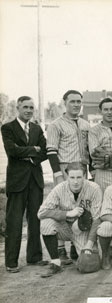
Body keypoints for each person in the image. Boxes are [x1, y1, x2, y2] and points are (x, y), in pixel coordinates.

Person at [1, 96, 48, 273]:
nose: (29, 110)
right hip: (17, 181)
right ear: (17, 107)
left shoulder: (36, 128)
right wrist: (32, 150)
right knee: (14, 221)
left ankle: (34, 257)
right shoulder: (8, 128)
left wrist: (29, 154)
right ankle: (11, 262)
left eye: (31, 108)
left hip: (35, 179)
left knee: (36, 219)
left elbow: (44, 151)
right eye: (25, 107)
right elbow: (11, 151)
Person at [46, 89, 91, 262]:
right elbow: (51, 151)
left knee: (80, 206)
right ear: (64, 102)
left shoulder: (85, 124)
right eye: (72, 101)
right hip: (65, 168)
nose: (76, 105)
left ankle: (75, 245)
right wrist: (57, 173)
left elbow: (89, 151)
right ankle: (60, 249)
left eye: (79, 101)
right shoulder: (56, 124)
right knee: (63, 208)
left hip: (81, 169)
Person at [38, 162, 102, 277]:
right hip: (65, 228)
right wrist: (67, 213)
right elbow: (41, 213)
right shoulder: (59, 188)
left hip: (83, 231)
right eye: (72, 177)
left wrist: (89, 243)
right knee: (46, 224)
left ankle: (78, 252)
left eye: (79, 177)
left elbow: (97, 219)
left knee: (88, 265)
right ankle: (56, 263)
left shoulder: (94, 188)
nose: (75, 181)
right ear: (67, 176)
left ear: (84, 176)